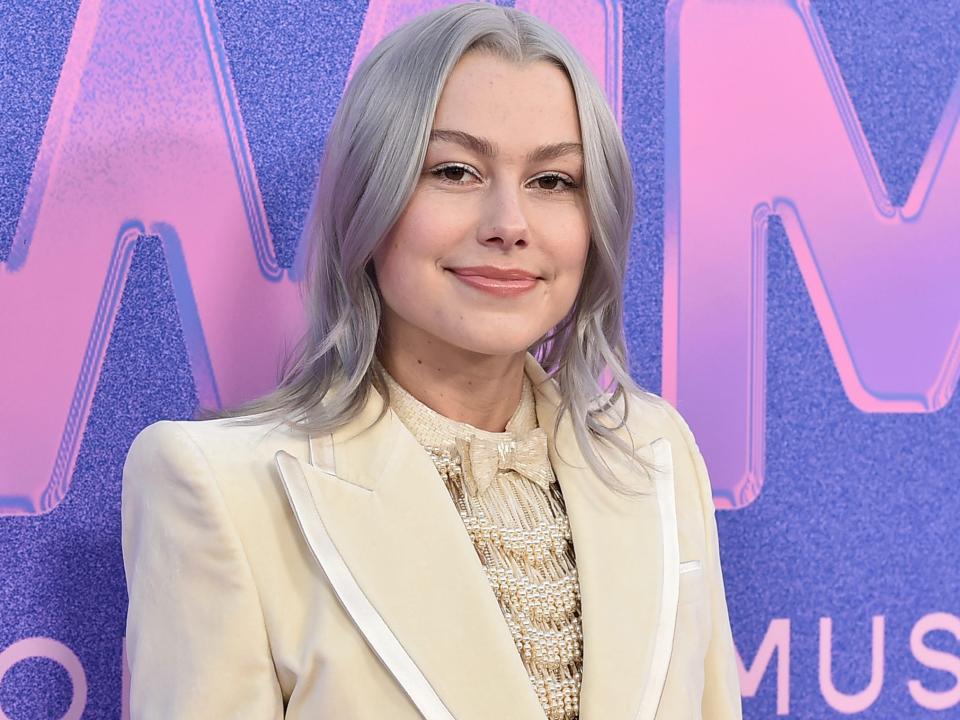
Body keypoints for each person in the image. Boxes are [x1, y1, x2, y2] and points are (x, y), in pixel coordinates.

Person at [121, 3, 742, 719]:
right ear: (370, 198)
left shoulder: (654, 453)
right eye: (455, 170)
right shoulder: (220, 489)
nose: (509, 224)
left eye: (553, 181)